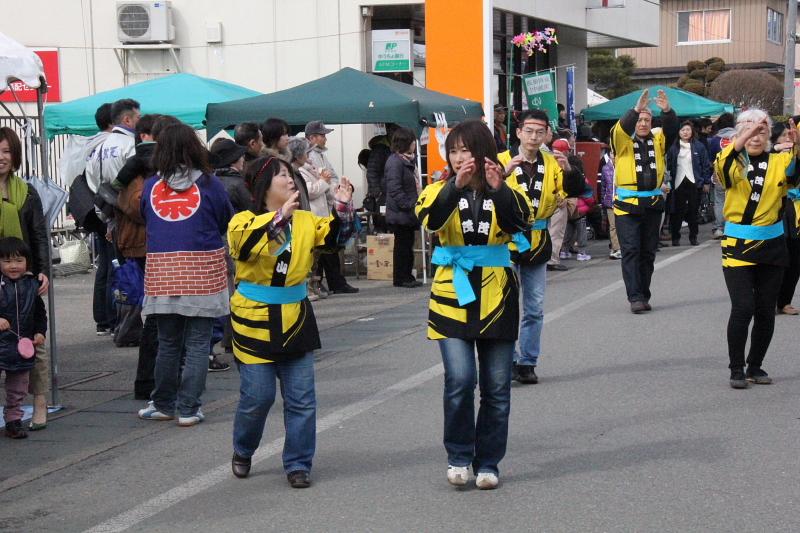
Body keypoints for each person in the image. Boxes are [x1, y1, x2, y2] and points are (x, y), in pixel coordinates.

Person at [416, 119, 531, 490]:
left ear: (484, 153)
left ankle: (489, 462)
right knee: (460, 379)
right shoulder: (437, 189)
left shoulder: (509, 188)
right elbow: (431, 221)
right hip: (451, 293)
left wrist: (499, 191)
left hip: (497, 295)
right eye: (454, 151)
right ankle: (459, 455)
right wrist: (455, 186)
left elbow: (519, 224)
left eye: (466, 150)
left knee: (497, 386)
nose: (459, 158)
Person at [227, 157, 355, 488]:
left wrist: (341, 206)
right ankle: (243, 448)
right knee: (258, 396)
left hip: (295, 316)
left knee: (301, 398)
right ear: (262, 184)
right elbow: (244, 249)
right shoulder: (242, 221)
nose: (289, 180)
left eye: (290, 175)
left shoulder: (305, 220)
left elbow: (333, 240)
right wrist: (277, 220)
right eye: (282, 175)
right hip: (253, 317)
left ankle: (298, 463)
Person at [136, 123, 234, 425]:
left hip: (163, 271)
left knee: (167, 342)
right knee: (197, 343)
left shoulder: (152, 186)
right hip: (202, 269)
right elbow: (226, 219)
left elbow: (144, 216)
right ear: (194, 148)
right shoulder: (209, 184)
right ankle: (189, 408)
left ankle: (164, 404)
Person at [714, 111, 800, 389]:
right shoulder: (731, 160)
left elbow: (796, 175)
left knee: (765, 310)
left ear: (770, 136)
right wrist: (747, 133)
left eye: (761, 131)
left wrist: (798, 147)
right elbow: (724, 171)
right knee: (743, 308)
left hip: (773, 246)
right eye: (748, 131)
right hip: (738, 245)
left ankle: (755, 365)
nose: (755, 136)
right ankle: (736, 367)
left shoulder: (779, 161)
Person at [499, 111, 583, 384]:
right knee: (506, 305)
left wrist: (568, 171)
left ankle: (528, 361)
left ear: (547, 133)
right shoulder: (501, 161)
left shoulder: (554, 161)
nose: (534, 137)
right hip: (506, 241)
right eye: (529, 131)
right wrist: (503, 174)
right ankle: (508, 359)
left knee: (534, 307)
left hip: (538, 239)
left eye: (540, 131)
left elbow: (576, 189)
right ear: (518, 132)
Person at [610, 88, 677, 314]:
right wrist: (635, 109)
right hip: (627, 206)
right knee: (630, 250)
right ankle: (635, 297)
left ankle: (644, 293)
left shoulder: (659, 141)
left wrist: (667, 111)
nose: (643, 123)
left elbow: (671, 130)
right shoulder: (621, 141)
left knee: (648, 252)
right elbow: (620, 128)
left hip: (653, 204)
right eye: (639, 120)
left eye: (647, 120)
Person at [0, 127, 50, 431]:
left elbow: (39, 234)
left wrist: (42, 268)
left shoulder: (26, 192)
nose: (0, 157)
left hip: (24, 273)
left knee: (33, 341)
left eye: (6, 151)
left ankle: (39, 401)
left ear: (15, 156)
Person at [85, 98, 141, 336]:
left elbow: (92, 183)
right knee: (135, 271)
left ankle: (112, 320)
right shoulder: (131, 145)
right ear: (127, 119)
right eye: (138, 118)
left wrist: (106, 218)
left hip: (108, 215)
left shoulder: (98, 148)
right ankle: (130, 325)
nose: (141, 122)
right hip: (133, 216)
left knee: (114, 269)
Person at [0, 238, 47, 439]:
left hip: (21, 347)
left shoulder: (31, 285)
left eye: (18, 261)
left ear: (27, 262)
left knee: (17, 388)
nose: (13, 266)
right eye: (7, 261)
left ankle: (13, 420)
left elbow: (39, 313)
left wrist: (39, 332)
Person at [305, 120, 359, 294]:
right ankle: (321, 283)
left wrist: (335, 187)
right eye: (322, 135)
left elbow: (332, 177)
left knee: (328, 249)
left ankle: (332, 282)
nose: (325, 138)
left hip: (326, 208)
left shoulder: (321, 155)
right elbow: (322, 182)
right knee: (321, 251)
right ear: (312, 137)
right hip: (317, 211)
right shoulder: (310, 156)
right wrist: (332, 188)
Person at [288, 137, 333, 300]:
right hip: (308, 215)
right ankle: (306, 288)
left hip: (316, 217)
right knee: (307, 255)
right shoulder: (293, 170)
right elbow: (310, 190)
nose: (309, 156)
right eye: (306, 153)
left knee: (315, 255)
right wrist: (324, 181)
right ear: (298, 155)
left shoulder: (307, 168)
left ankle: (313, 285)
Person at [384, 127, 422, 288]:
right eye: (413, 141)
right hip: (401, 212)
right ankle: (401, 277)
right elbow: (394, 188)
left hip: (407, 212)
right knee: (402, 246)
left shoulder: (407, 160)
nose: (415, 144)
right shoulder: (395, 162)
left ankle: (407, 275)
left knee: (407, 244)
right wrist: (408, 204)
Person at [666, 121, 712, 246]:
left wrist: (706, 182)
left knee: (693, 211)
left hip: (694, 182)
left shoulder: (699, 146)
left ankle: (693, 237)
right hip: (678, 183)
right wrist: (667, 182)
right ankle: (675, 237)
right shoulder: (673, 147)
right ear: (678, 132)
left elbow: (705, 165)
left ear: (692, 131)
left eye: (687, 130)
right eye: (682, 130)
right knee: (677, 212)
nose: (685, 132)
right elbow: (668, 165)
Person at [773, 123, 800, 315]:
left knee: (796, 259)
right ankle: (768, 300)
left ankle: (784, 301)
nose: (788, 138)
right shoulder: (771, 157)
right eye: (783, 135)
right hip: (777, 210)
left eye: (790, 134)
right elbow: (787, 173)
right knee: (777, 259)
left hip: (796, 210)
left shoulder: (796, 152)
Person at [707, 113, 736, 239]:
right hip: (737, 173)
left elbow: (711, 159)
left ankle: (719, 228)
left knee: (719, 201)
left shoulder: (715, 139)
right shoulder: (738, 137)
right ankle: (733, 225)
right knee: (735, 198)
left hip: (719, 173)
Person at [210, 138, 253, 214]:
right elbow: (252, 210)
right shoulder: (238, 183)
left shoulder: (211, 181)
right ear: (233, 160)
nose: (243, 159)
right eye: (240, 156)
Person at [600, 152, 621, 259]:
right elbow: (603, 186)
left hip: (621, 200)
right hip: (609, 202)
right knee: (613, 226)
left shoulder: (622, 166)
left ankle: (617, 248)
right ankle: (616, 248)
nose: (614, 155)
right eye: (612, 153)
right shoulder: (605, 168)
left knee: (621, 225)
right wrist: (603, 201)